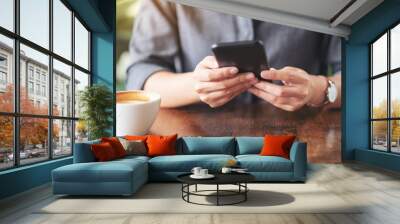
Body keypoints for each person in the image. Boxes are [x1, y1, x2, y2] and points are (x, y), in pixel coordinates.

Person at [126, 0, 341, 111]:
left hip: (302, 135)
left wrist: (318, 90)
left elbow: (356, 78)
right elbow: (141, 75)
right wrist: (196, 85)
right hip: (194, 138)